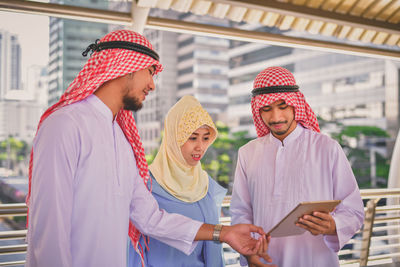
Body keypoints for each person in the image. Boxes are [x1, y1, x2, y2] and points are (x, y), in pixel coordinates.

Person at [25, 30, 269, 267]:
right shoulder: (65, 125)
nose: (152, 85)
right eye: (150, 72)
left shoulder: (121, 139)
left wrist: (224, 233)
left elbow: (150, 218)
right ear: (125, 66)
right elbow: (49, 232)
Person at [230, 66, 365, 267]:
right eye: (267, 109)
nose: (275, 117)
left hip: (315, 259)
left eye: (283, 106)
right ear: (258, 109)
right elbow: (241, 212)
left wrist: (333, 225)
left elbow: (353, 210)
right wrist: (249, 251)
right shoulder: (247, 153)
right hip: (264, 260)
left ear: (296, 104)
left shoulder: (326, 148)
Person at [128, 95, 226, 266]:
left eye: (205, 138)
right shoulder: (146, 184)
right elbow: (135, 248)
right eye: (192, 137)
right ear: (174, 138)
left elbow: (213, 249)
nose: (200, 147)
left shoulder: (205, 184)